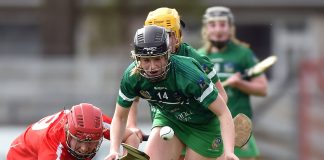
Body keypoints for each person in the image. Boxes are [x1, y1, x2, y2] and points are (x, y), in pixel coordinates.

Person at [105, 25, 238, 160]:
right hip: (169, 119)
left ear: (167, 55)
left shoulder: (189, 75)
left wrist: (229, 152)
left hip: (203, 125)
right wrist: (114, 150)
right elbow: (120, 117)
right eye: (146, 60)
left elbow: (223, 112)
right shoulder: (132, 76)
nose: (152, 67)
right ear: (138, 59)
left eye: (157, 59)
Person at [126, 6, 227, 140]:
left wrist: (205, 121)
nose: (159, 40)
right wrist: (131, 125)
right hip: (165, 126)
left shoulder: (196, 60)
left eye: (166, 34)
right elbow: (132, 95)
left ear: (177, 35)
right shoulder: (144, 61)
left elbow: (222, 95)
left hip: (196, 129)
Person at [198, 6, 268, 160]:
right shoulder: (198, 56)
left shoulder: (244, 54)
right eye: (213, 24)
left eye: (223, 24)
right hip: (209, 130)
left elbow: (262, 88)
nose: (218, 30)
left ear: (230, 28)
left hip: (239, 130)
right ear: (206, 29)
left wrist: (240, 84)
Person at [7, 103, 141, 160]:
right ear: (67, 132)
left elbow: (131, 136)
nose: (84, 149)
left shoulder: (98, 122)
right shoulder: (52, 147)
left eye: (91, 142)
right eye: (79, 141)